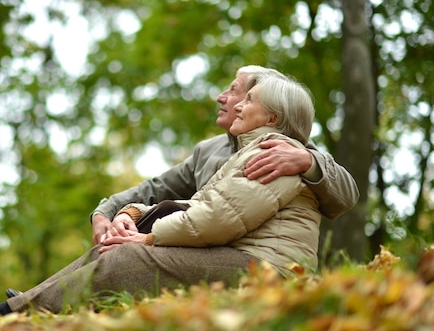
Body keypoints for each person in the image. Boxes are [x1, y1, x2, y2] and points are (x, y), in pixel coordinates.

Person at [0, 70, 333, 319]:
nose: (231, 101)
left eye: (246, 98)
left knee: (129, 257)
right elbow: (193, 202)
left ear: (273, 117)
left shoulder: (277, 154)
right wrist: (125, 211)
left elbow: (217, 219)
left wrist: (148, 237)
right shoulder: (232, 150)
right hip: (241, 256)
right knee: (114, 250)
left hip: (272, 272)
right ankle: (12, 309)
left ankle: (12, 314)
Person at [91, 65, 359, 246]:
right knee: (114, 250)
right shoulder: (208, 150)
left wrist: (310, 161)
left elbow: (348, 194)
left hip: (244, 260)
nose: (222, 98)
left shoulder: (284, 146)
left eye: (235, 91)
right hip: (196, 246)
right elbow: (155, 188)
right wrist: (107, 213)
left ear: (269, 109)